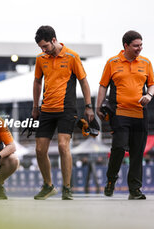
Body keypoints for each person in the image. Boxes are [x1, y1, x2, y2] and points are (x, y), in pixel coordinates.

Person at [32, 25, 94, 200]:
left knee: (62, 146)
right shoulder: (40, 59)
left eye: (45, 46)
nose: (43, 50)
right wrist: (35, 106)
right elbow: (37, 82)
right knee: (39, 149)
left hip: (66, 109)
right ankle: (48, 185)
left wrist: (89, 106)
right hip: (46, 110)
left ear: (54, 40)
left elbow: (83, 82)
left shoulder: (72, 56)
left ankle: (67, 188)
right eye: (41, 48)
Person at [96, 30, 154, 200]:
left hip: (140, 114)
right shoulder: (112, 62)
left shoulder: (146, 63)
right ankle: (111, 180)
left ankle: (135, 190)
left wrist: (149, 96)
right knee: (119, 148)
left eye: (141, 45)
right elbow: (103, 86)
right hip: (120, 112)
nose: (140, 48)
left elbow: (152, 85)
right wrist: (97, 107)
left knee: (137, 153)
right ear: (126, 46)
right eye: (136, 45)